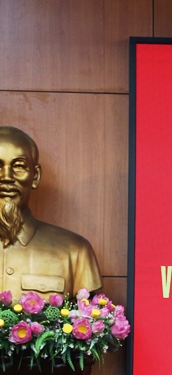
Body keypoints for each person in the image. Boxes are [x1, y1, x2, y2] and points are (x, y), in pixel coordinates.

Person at [0, 126, 102, 299]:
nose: (7, 177)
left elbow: (90, 310)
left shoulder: (75, 252)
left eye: (19, 166)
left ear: (35, 176)